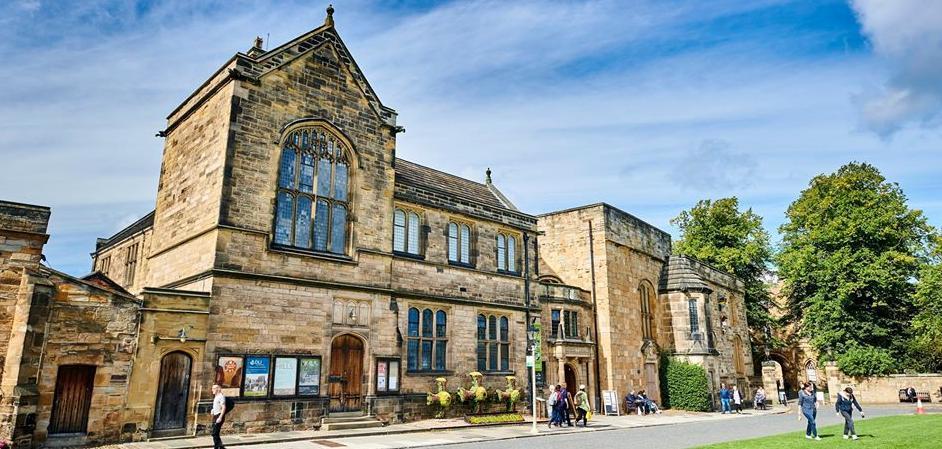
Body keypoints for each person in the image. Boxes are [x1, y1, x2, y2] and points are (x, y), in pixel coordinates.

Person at [211, 383, 227, 449]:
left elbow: (224, 407)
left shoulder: (221, 396)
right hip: (215, 415)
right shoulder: (216, 396)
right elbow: (217, 406)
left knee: (214, 433)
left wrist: (220, 417)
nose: (212, 390)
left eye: (213, 388)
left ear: (217, 389)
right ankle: (220, 447)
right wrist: (213, 409)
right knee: (215, 433)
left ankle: (218, 447)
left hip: (219, 416)